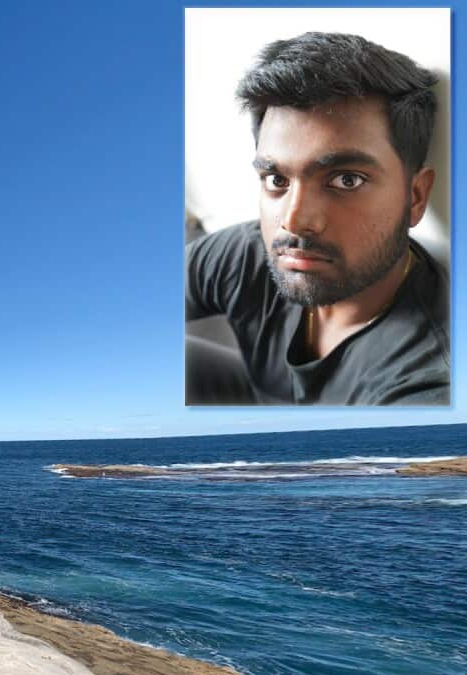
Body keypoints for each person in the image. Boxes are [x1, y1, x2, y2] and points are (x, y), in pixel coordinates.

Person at [186, 32, 449, 405]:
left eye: (346, 180)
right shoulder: (244, 254)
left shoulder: (426, 383)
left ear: (415, 196)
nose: (293, 222)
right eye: (277, 180)